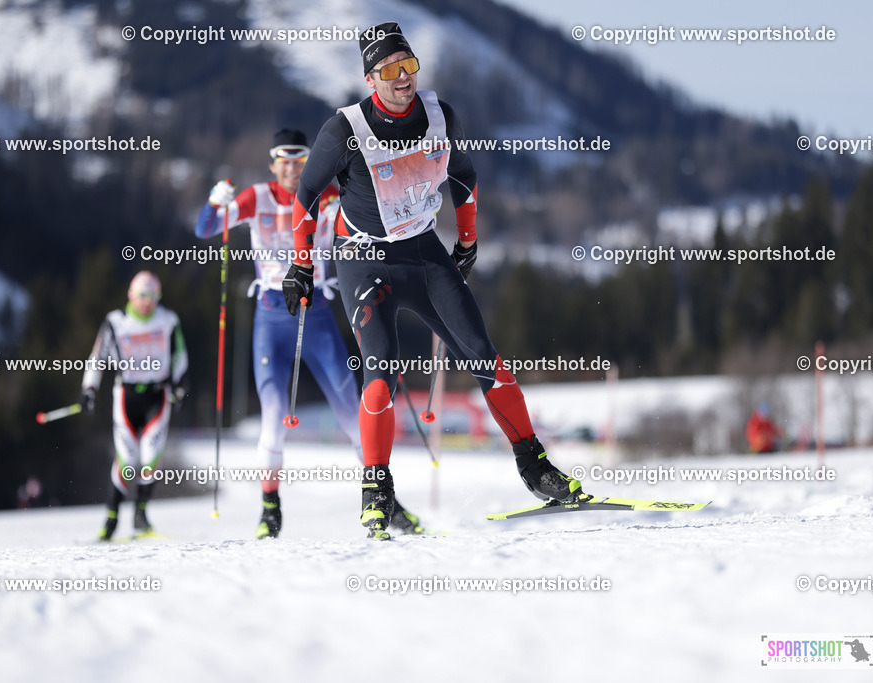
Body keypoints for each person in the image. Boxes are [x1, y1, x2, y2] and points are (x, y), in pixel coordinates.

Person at [283, 22, 583, 539]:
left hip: (423, 254)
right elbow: (306, 196)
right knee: (380, 375)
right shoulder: (344, 130)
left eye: (410, 65)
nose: (404, 78)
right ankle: (376, 492)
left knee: (487, 358)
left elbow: (464, 180)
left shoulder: (441, 116)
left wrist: (467, 242)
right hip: (364, 260)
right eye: (391, 70)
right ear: (371, 77)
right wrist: (301, 265)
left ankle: (536, 468)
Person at [195, 129, 425, 538]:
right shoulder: (257, 197)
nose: (292, 168)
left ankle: (385, 501)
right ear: (272, 164)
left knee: (354, 415)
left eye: (300, 161)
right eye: (283, 161)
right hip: (271, 316)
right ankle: (270, 509)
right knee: (272, 417)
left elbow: (378, 219)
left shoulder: (329, 194)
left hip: (316, 313)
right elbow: (205, 228)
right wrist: (216, 200)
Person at [80, 271, 189, 541]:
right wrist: (89, 388)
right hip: (126, 396)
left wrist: (180, 384)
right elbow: (98, 358)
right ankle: (111, 519)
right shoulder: (116, 323)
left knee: (151, 456)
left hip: (157, 395)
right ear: (131, 294)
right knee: (126, 459)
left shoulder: (168, 320)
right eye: (142, 295)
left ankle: (141, 515)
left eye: (153, 296)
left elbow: (181, 357)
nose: (147, 302)